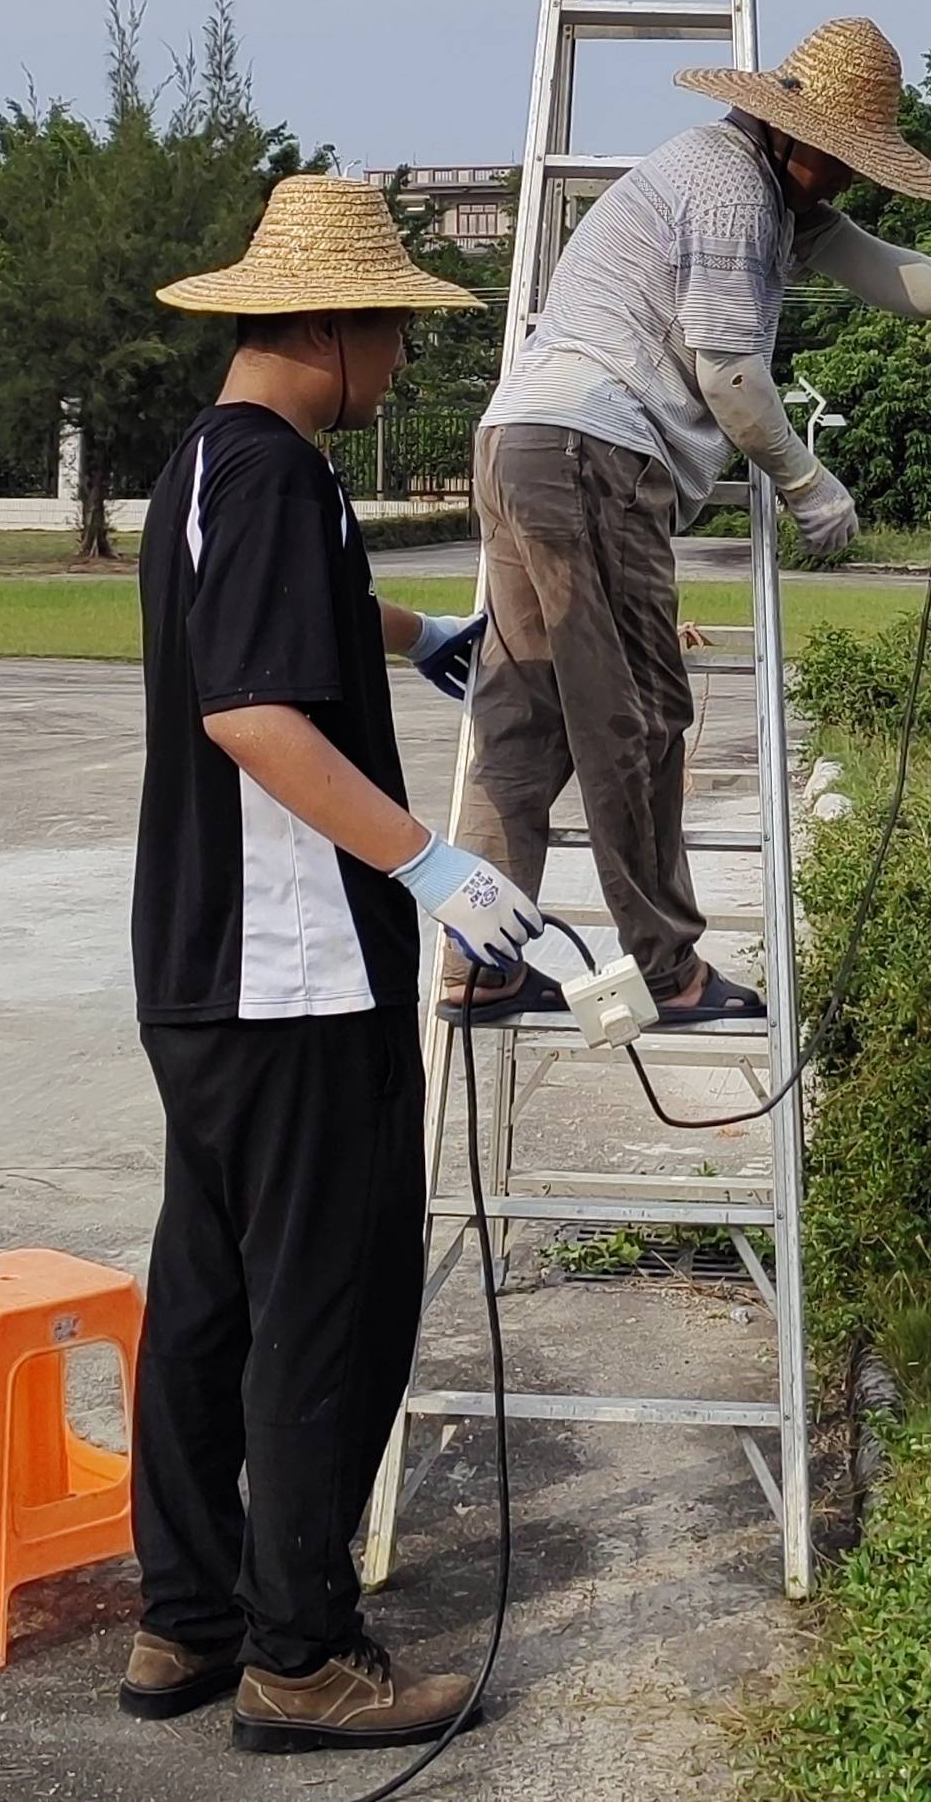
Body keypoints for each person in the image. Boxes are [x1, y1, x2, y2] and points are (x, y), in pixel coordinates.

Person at [123, 175, 547, 1751]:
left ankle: (187, 1621)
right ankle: (301, 1658)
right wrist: (430, 863)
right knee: (331, 1302)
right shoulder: (285, 478)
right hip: (296, 975)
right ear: (321, 324)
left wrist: (414, 629)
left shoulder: (207, 469)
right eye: (389, 329)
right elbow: (250, 713)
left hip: (197, 971)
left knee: (211, 1294)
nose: (401, 361)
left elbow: (280, 626)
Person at [449, 16, 931, 1026]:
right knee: (639, 718)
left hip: (519, 440)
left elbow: (875, 264)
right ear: (798, 136)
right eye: (840, 162)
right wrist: (805, 482)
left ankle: (479, 961)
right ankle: (670, 971)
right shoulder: (737, 193)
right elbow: (732, 374)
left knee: (524, 717)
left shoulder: (751, 177)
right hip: (591, 455)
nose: (842, 182)